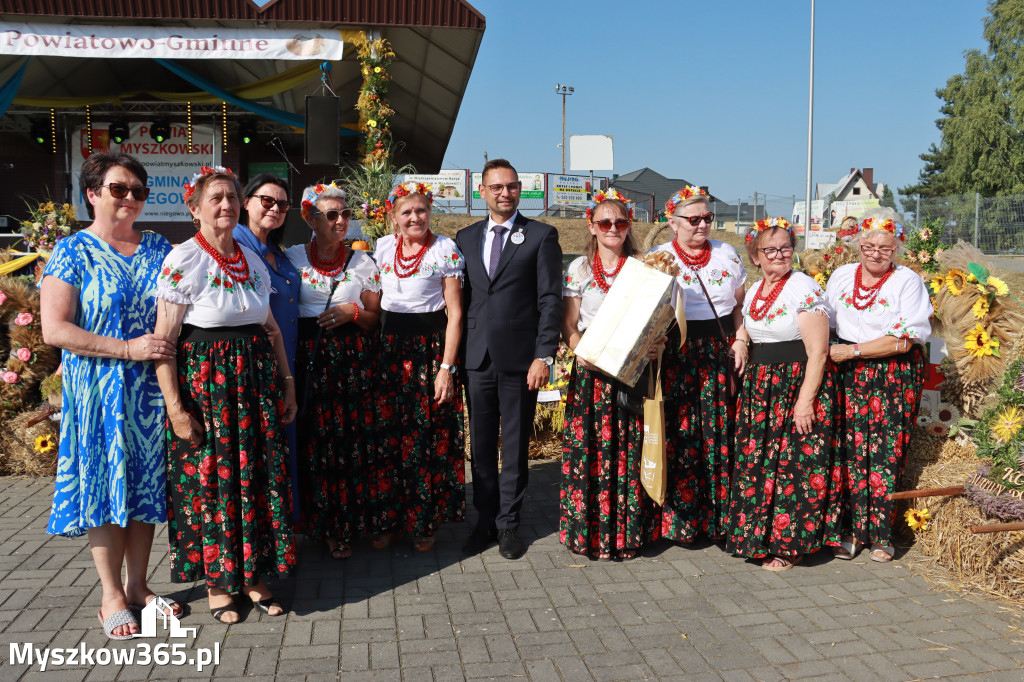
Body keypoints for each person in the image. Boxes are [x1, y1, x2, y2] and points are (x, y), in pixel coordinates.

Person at [40, 151, 179, 640]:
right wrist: (126, 348)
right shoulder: (72, 250)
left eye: (139, 191)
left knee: (143, 489)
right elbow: (54, 329)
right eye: (120, 189)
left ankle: (140, 586)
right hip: (98, 393)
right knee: (103, 488)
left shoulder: (160, 247)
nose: (131, 198)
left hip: (150, 393)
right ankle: (111, 595)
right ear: (93, 194)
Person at [154, 166, 298, 623]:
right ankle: (218, 583)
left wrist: (287, 383)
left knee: (256, 477)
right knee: (213, 482)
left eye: (232, 198)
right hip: (209, 390)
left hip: (254, 386)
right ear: (193, 208)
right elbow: (165, 342)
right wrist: (176, 409)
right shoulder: (183, 259)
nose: (226, 205)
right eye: (215, 198)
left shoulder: (252, 260)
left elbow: (270, 328)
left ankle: (254, 575)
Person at [454, 158, 563, 560]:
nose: (504, 193)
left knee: (515, 446)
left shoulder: (540, 235)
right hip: (476, 357)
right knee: (480, 445)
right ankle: (483, 520)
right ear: (481, 192)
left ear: (520, 190)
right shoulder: (463, 239)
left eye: (511, 186)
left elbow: (550, 299)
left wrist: (544, 355)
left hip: (520, 360)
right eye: (496, 187)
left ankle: (508, 525)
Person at [726, 218, 840, 570]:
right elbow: (748, 321)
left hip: (795, 384)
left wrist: (805, 400)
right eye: (770, 249)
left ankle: (791, 546)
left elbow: (818, 352)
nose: (779, 255)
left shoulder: (803, 287)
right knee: (758, 463)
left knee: (793, 467)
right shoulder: (758, 288)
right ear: (756, 256)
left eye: (786, 248)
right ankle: (757, 538)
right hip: (762, 387)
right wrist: (741, 340)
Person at [560, 190, 663, 560]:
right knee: (593, 451)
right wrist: (580, 352)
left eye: (620, 222)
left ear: (629, 226)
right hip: (592, 373)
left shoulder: (644, 265)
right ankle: (593, 535)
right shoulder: (579, 270)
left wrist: (655, 346)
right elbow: (569, 325)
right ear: (591, 227)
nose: (612, 228)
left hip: (633, 370)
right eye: (604, 222)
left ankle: (627, 535)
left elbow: (659, 319)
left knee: (630, 453)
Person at [825, 209, 931, 562]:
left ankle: (882, 536)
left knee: (884, 452)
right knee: (846, 450)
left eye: (884, 248)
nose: (874, 253)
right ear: (857, 243)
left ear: (896, 248)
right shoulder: (841, 275)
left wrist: (853, 351)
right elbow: (824, 320)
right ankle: (851, 532)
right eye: (868, 245)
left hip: (891, 373)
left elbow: (905, 339)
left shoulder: (907, 281)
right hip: (845, 371)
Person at [286, 181, 381, 557]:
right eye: (332, 215)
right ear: (311, 219)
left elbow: (374, 320)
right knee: (313, 444)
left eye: (345, 214)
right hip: (306, 360)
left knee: (349, 444)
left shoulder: (362, 261)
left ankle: (348, 521)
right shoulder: (291, 257)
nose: (341, 221)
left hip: (350, 361)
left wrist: (352, 312)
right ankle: (319, 524)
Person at [373, 181, 466, 552]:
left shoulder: (444, 249)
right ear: (394, 217)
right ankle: (391, 519)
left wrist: (446, 367)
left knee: (424, 436)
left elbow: (456, 314)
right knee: (389, 437)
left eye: (421, 210)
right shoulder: (381, 248)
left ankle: (423, 521)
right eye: (407, 212)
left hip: (428, 351)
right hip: (389, 350)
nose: (415, 217)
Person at [652, 186, 748, 544]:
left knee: (718, 432)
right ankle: (681, 523)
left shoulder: (727, 254)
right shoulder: (658, 256)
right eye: (694, 220)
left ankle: (720, 520)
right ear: (673, 222)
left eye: (708, 218)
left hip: (716, 350)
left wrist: (740, 339)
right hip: (675, 351)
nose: (703, 225)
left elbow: (739, 306)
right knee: (680, 434)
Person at [234, 173, 302, 518]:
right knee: (258, 452)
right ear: (246, 202)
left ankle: (284, 528)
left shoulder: (278, 251)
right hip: (253, 366)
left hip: (287, 363)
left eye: (282, 204)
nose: (274, 208)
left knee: (281, 448)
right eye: (266, 200)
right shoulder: (233, 247)